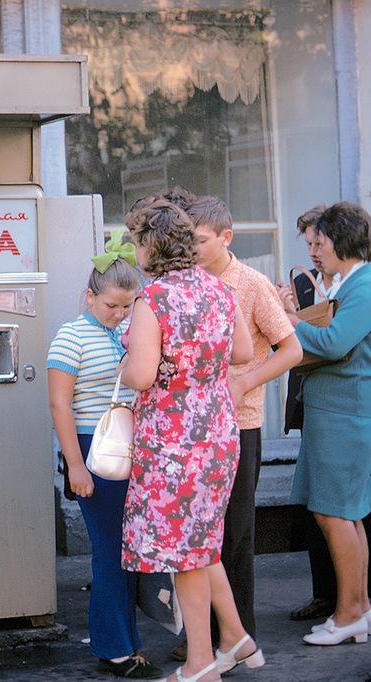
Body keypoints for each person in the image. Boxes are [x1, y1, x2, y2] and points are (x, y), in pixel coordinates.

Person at [120, 199, 261, 682]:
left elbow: (139, 375)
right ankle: (228, 644)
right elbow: (242, 350)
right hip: (219, 434)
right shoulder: (219, 290)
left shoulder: (153, 298)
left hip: (172, 441)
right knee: (200, 548)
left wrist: (137, 363)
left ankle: (201, 663)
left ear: (149, 245)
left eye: (136, 241)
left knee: (184, 554)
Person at [47, 230, 163, 679]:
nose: (118, 313)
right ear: (89, 296)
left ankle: (126, 643)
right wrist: (74, 464)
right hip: (95, 450)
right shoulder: (70, 335)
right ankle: (113, 649)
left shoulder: (131, 332)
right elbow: (59, 403)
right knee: (111, 553)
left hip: (131, 448)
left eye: (127, 305)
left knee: (129, 551)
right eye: (110, 304)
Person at [188, 195, 303, 642]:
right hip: (193, 427)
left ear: (225, 238)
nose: (193, 249)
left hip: (240, 425)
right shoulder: (185, 282)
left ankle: (239, 636)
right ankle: (202, 635)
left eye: (200, 240)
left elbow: (291, 350)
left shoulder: (252, 284)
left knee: (235, 535)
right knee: (199, 535)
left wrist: (244, 381)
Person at [283, 201, 371, 646]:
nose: (316, 248)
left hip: (345, 415)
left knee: (334, 513)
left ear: (341, 240)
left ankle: (349, 613)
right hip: (337, 413)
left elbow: (335, 343)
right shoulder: (353, 282)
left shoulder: (366, 284)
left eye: (321, 240)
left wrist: (290, 320)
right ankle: (359, 609)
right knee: (347, 515)